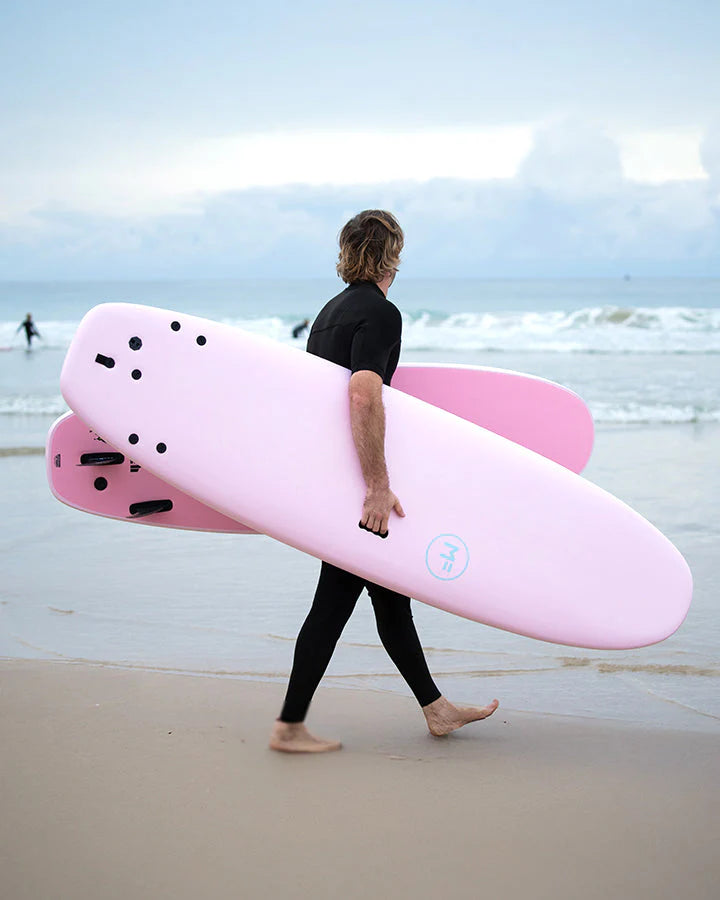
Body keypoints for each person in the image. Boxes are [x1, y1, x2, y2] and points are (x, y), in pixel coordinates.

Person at [269, 210, 499, 753]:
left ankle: (436, 710)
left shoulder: (328, 314)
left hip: (333, 478)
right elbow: (363, 395)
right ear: (392, 255)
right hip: (357, 486)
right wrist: (376, 485)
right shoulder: (381, 313)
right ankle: (289, 726)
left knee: (388, 596)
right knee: (336, 602)